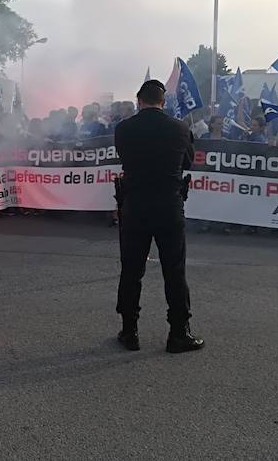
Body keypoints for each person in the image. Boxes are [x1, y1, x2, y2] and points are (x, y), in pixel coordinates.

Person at [113, 80, 204, 354]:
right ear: (163, 102)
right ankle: (179, 333)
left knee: (131, 271)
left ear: (139, 100)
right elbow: (187, 162)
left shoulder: (124, 128)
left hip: (135, 205)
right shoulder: (180, 128)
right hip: (169, 206)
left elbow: (124, 156)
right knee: (174, 271)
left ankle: (130, 332)